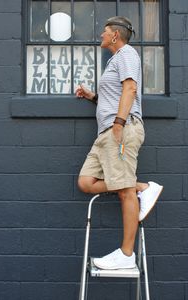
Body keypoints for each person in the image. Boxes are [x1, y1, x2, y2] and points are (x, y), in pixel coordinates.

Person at [76, 16, 163, 270]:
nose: (101, 35)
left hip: (119, 131)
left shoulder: (126, 54)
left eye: (104, 32)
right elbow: (114, 96)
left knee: (125, 191)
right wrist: (92, 96)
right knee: (85, 182)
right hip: (106, 134)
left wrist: (119, 123)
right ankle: (144, 187)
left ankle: (126, 255)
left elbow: (130, 89)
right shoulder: (116, 60)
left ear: (115, 35)